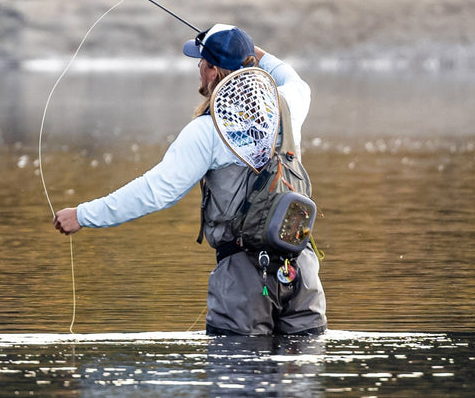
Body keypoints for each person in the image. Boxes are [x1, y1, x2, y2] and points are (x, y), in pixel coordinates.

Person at [53, 23, 327, 336]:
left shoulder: (206, 132)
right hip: (301, 270)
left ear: (211, 71)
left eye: (201, 60)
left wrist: (84, 215)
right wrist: (252, 53)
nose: (198, 66)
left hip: (245, 278)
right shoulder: (289, 106)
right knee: (300, 374)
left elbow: (155, 193)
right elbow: (292, 77)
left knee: (237, 374)